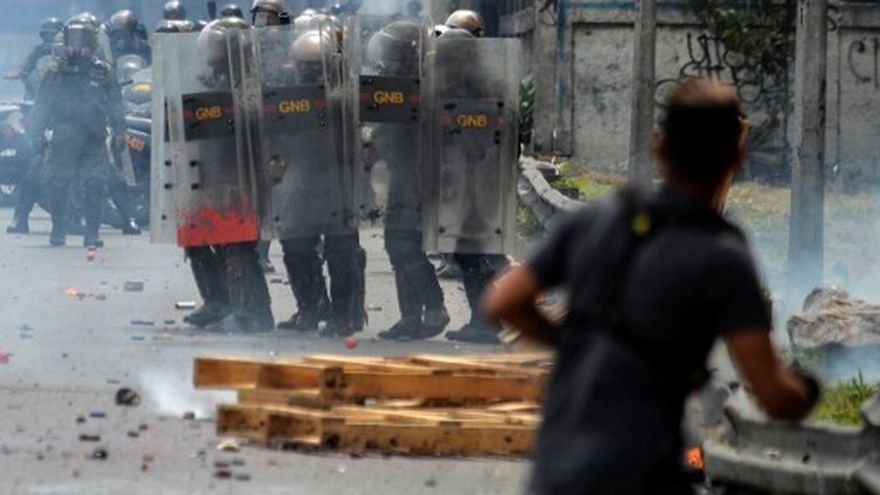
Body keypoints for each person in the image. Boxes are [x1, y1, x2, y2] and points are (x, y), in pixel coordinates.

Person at [483, 78, 821, 495]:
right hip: (643, 471)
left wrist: (570, 341)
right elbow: (773, 395)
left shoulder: (597, 219)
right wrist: (809, 388)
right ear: (738, 157)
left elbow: (504, 302)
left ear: (659, 149)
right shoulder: (724, 256)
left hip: (557, 470)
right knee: (695, 460)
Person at [263, 26, 366, 337]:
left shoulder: (346, 97)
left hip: (337, 182)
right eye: (305, 67)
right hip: (300, 181)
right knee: (296, 248)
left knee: (342, 253)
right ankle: (311, 308)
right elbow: (274, 138)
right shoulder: (285, 97)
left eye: (314, 68)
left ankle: (345, 315)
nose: (309, 74)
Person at [176, 17, 274, 333]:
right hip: (210, 173)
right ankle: (219, 302)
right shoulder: (214, 80)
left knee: (237, 246)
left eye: (217, 48)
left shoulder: (251, 85)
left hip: (239, 175)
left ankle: (252, 313)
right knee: (197, 238)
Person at [360, 20, 449, 341]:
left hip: (413, 178)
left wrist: (371, 143)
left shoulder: (411, 88)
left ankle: (428, 310)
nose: (385, 60)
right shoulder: (422, 81)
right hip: (413, 175)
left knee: (401, 243)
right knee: (403, 244)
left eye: (390, 53)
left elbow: (392, 134)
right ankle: (415, 316)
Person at [430, 14, 514, 345]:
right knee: (472, 249)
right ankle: (486, 318)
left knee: (474, 249)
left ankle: (486, 321)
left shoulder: (475, 85)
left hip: (479, 177)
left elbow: (491, 129)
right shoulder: (472, 82)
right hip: (473, 176)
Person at [28, 16, 127, 248]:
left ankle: (92, 234)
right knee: (58, 182)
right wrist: (36, 134)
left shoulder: (102, 71)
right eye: (73, 40)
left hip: (94, 136)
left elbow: (115, 102)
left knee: (96, 183)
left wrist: (120, 130)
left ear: (92, 43)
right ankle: (58, 229)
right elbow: (42, 104)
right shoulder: (56, 71)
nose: (77, 46)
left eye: (82, 41)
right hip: (65, 134)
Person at [7, 18, 64, 100]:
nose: (49, 37)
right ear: (42, 36)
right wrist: (21, 73)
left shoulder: (66, 50)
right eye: (47, 35)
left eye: (52, 35)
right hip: (39, 86)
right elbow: (28, 63)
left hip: (60, 86)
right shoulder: (38, 50)